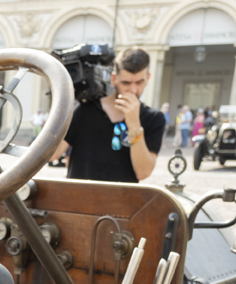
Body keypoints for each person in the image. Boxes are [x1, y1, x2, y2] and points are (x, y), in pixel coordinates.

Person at [50, 47, 166, 183]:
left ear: (148, 78)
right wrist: (61, 102)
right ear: (114, 79)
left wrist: (134, 124)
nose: (133, 90)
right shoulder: (85, 109)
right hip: (79, 200)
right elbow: (53, 155)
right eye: (126, 83)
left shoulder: (154, 118)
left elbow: (143, 172)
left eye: (139, 82)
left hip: (123, 201)